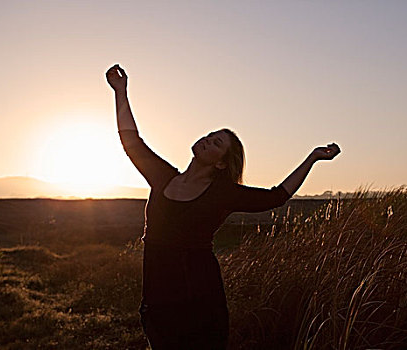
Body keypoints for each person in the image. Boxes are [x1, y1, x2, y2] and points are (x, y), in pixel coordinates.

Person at [105, 64, 341, 349]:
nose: (207, 140)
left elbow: (276, 197)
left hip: (200, 301)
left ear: (220, 163)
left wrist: (313, 158)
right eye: (209, 135)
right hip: (157, 298)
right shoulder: (161, 176)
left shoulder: (223, 194)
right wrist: (121, 92)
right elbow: (131, 141)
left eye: (216, 142)